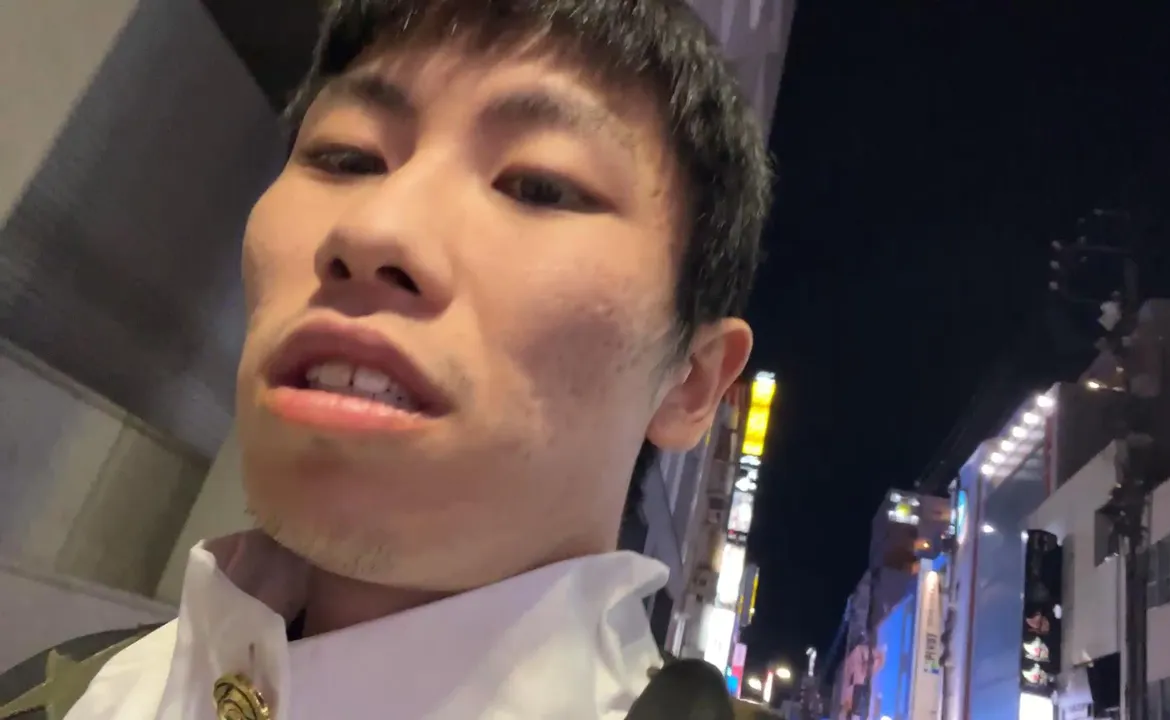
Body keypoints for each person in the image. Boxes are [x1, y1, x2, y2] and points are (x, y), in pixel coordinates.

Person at [0, 0, 772, 717]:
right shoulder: (59, 693)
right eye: (347, 158)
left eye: (538, 186)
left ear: (692, 382)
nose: (374, 228)